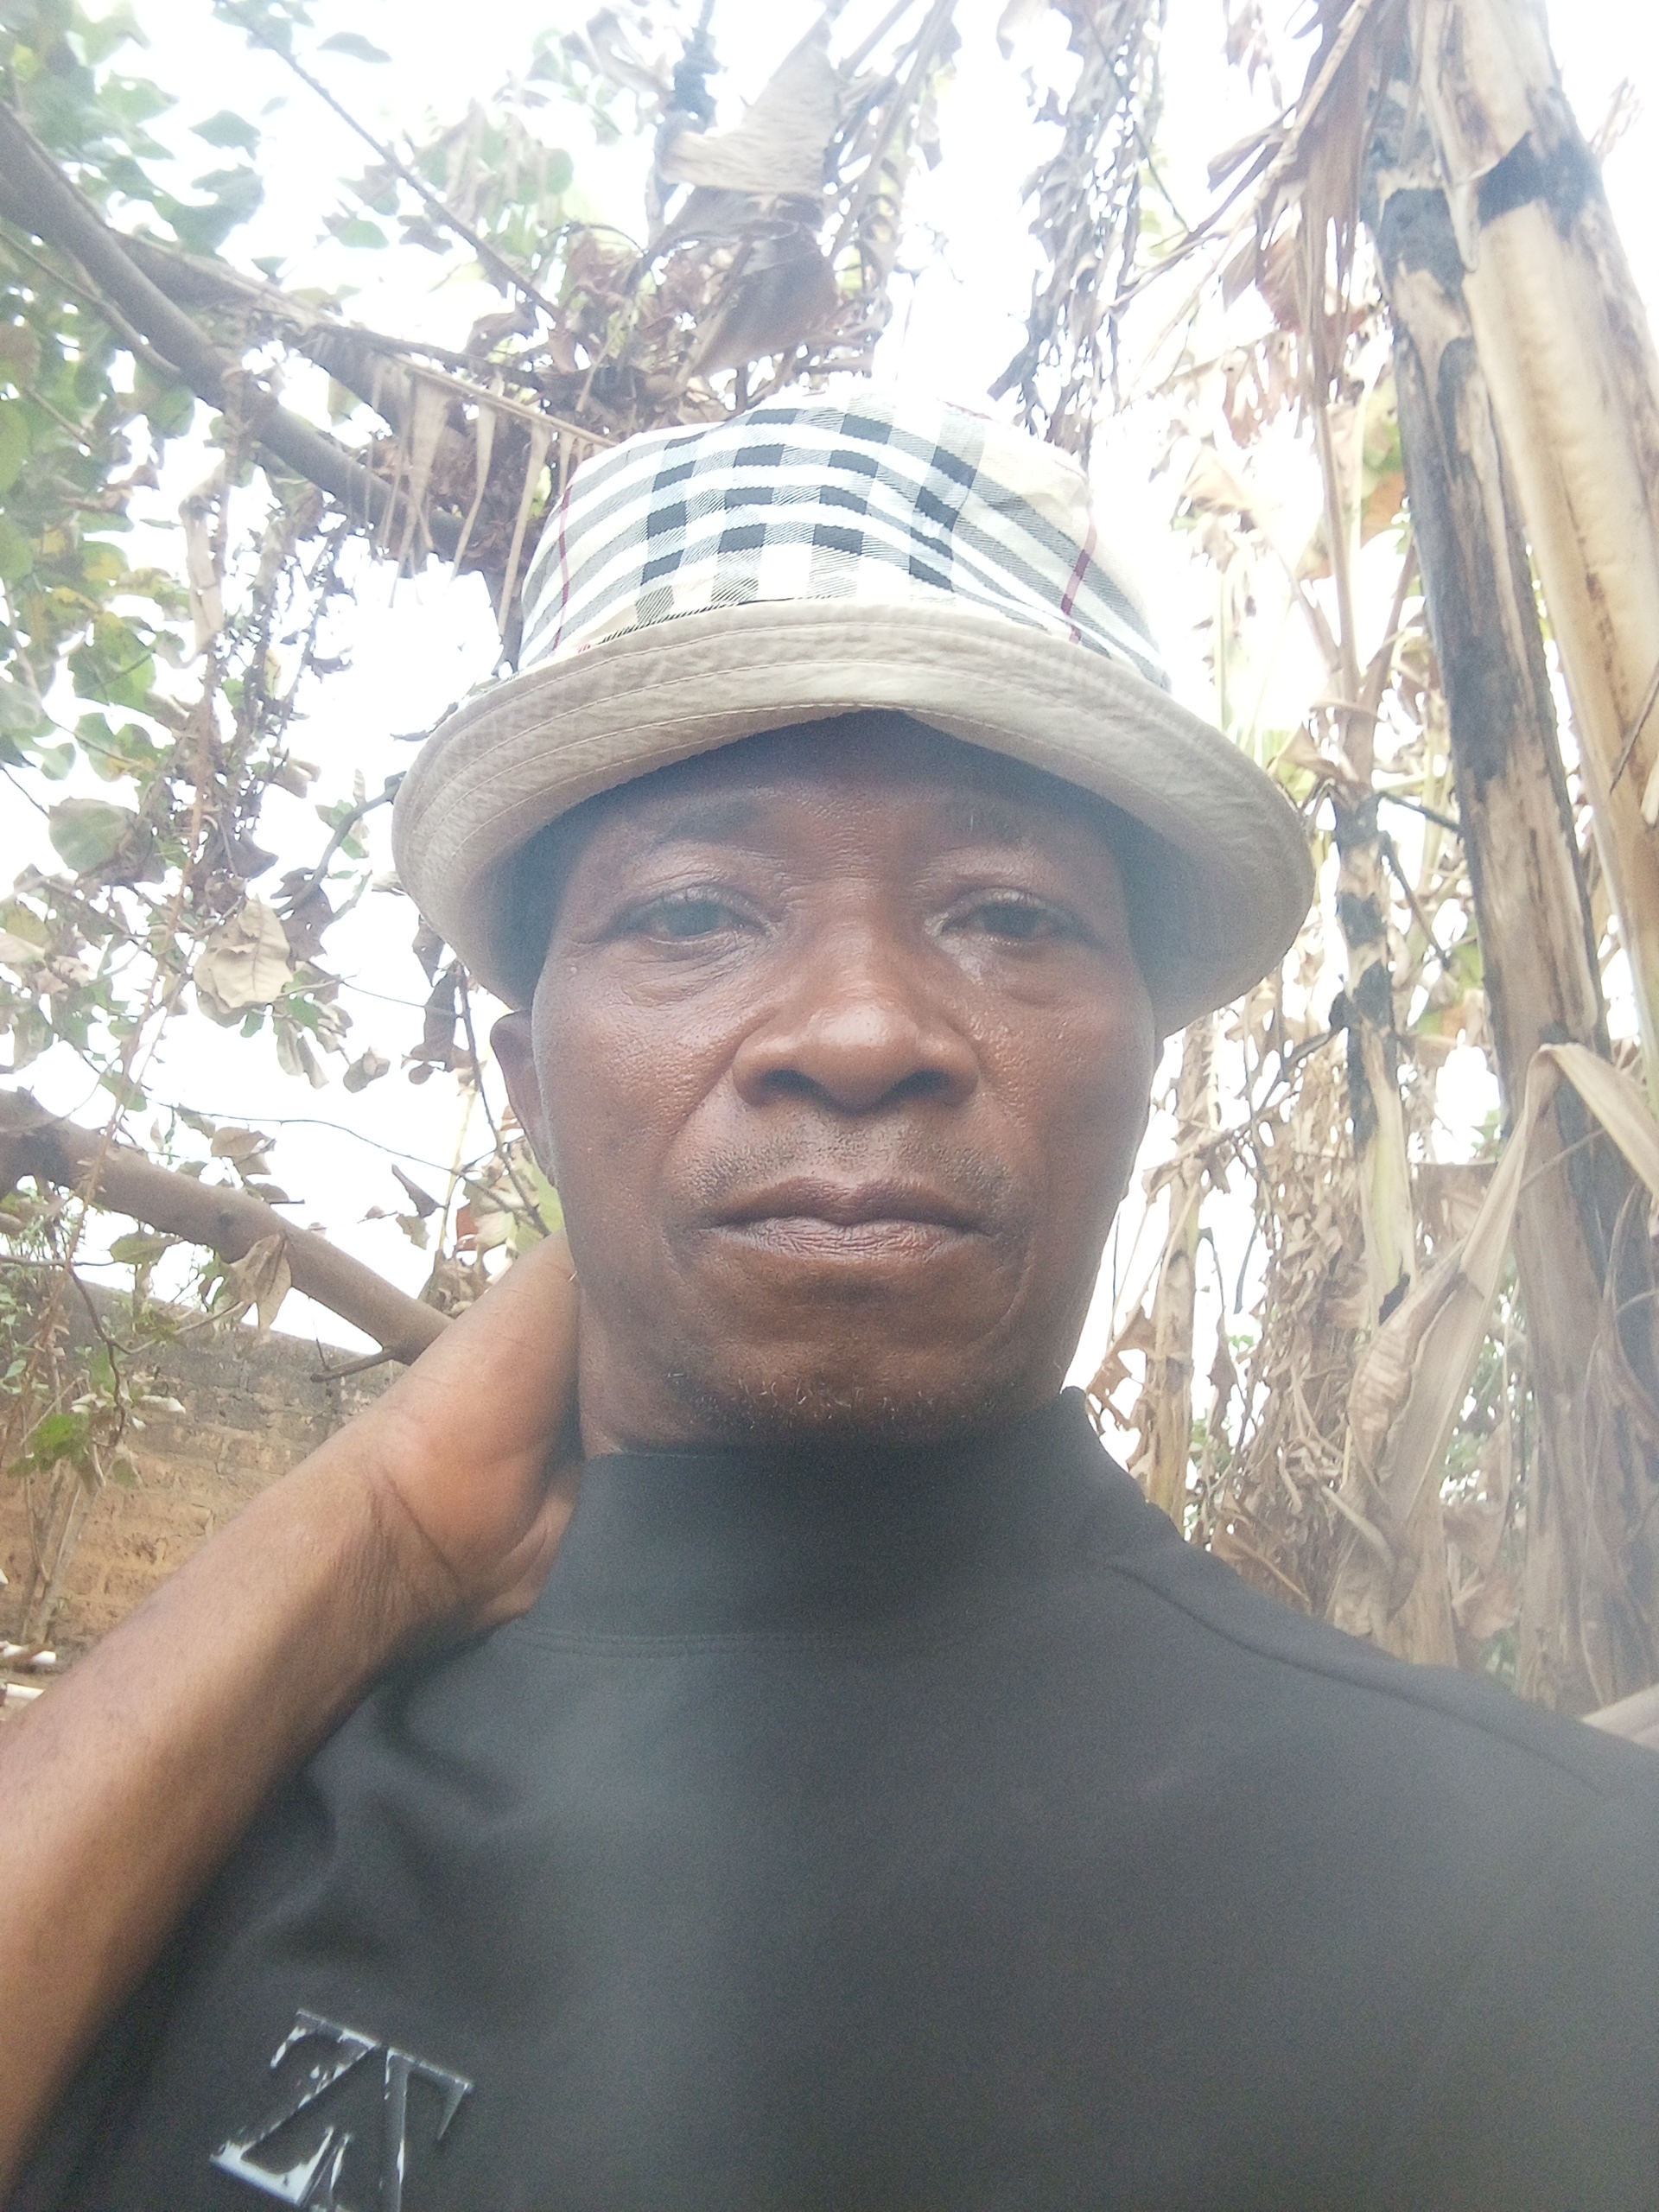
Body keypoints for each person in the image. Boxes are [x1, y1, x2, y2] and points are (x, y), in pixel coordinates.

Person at [4, 395, 1658, 2211]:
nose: (863, 1031)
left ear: (1140, 1061)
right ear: (527, 1083)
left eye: (1007, 913)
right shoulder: (195, 1807)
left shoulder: (1542, 1916)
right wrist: (378, 1523)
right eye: (693, 912)